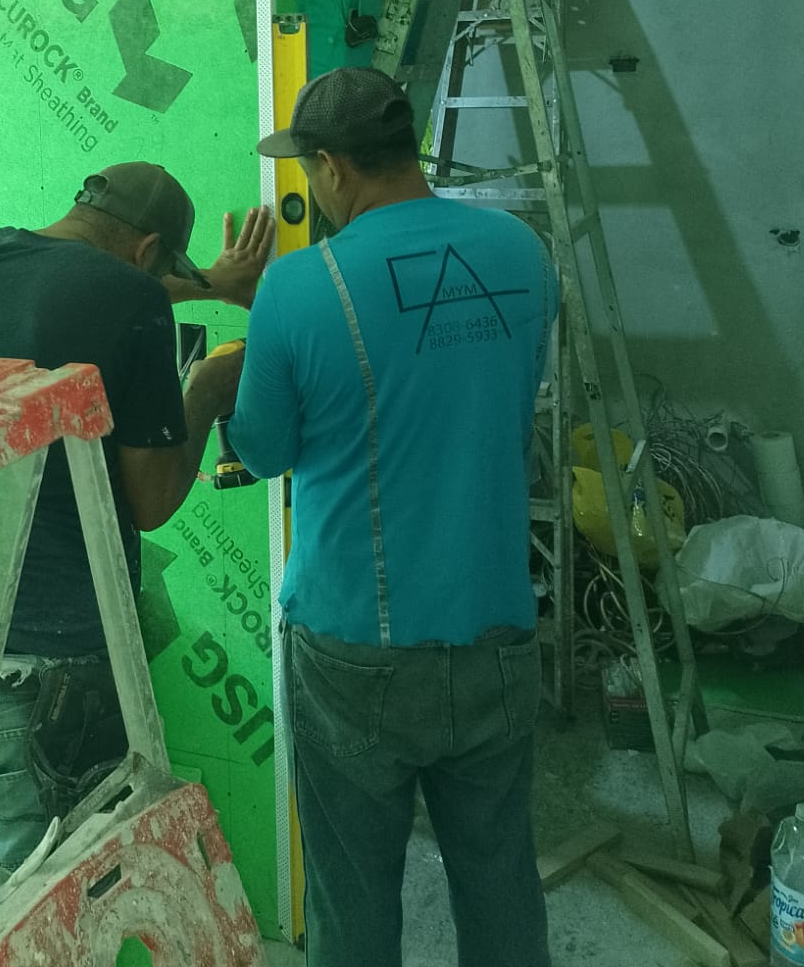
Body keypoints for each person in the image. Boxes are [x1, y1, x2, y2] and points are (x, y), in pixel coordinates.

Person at [0, 163, 270, 947]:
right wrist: (208, 390)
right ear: (151, 248)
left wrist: (204, 286)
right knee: (28, 921)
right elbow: (152, 500)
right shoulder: (128, 303)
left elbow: (72, 300)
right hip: (43, 672)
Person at [227, 68, 556, 967]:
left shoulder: (298, 288)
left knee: (355, 900)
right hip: (497, 629)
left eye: (307, 171)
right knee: (499, 883)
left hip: (353, 651)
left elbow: (261, 451)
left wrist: (238, 352)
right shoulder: (523, 253)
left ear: (332, 168)